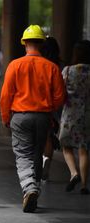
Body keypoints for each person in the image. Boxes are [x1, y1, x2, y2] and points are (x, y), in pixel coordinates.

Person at [0, 25, 66, 213]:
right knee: (37, 155)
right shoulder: (52, 67)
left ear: (25, 43)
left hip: (20, 117)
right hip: (43, 117)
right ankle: (34, 189)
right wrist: (49, 109)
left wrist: (5, 117)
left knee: (23, 155)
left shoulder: (15, 65)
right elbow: (60, 96)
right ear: (42, 44)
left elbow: (6, 95)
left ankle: (30, 188)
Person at [59, 40, 90, 195]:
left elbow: (59, 90)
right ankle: (84, 185)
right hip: (87, 114)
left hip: (70, 113)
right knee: (84, 150)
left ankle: (74, 173)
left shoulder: (68, 71)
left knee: (66, 145)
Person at [40, 36, 63, 181]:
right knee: (49, 136)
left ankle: (40, 161)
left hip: (40, 104)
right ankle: (46, 160)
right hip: (55, 107)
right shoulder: (60, 66)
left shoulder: (42, 64)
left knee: (36, 138)